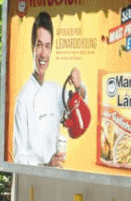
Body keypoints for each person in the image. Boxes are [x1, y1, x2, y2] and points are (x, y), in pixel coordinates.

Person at [13, 11, 85, 167]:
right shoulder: (23, 98)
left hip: (57, 175)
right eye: (39, 45)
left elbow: (79, 106)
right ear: (33, 48)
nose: (43, 54)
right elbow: (19, 158)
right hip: (34, 183)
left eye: (47, 46)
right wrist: (47, 166)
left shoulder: (55, 90)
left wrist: (79, 85)